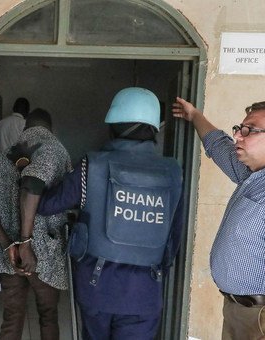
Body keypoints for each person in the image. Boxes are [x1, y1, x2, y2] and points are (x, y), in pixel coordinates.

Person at [17, 88, 184, 339]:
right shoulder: (173, 172)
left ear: (113, 125)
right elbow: (175, 236)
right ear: (153, 128)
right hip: (145, 290)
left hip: (97, 286)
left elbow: (47, 205)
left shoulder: (91, 165)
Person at [0, 108, 72, 340]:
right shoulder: (55, 150)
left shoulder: (3, 155)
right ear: (51, 128)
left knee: (12, 315)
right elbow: (32, 183)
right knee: (48, 315)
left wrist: (8, 244)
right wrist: (26, 243)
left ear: (25, 127)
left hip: (10, 255)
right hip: (44, 252)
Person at [173, 97, 265, 340]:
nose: (239, 136)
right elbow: (218, 145)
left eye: (250, 130)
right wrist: (195, 116)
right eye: (239, 129)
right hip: (239, 311)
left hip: (259, 318)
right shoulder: (251, 176)